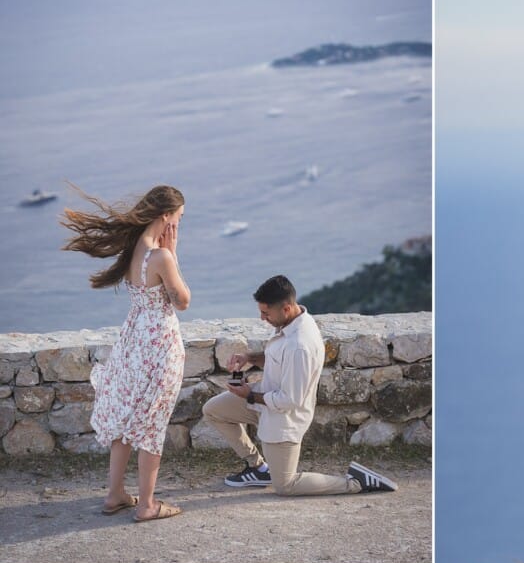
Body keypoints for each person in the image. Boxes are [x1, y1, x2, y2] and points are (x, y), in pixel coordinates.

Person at [201, 274, 398, 497]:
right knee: (213, 410)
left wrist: (249, 396)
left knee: (286, 485)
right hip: (263, 400)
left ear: (285, 308)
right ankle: (258, 469)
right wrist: (250, 357)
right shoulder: (292, 321)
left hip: (284, 417)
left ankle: (355, 482)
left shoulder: (300, 346)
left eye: (266, 313)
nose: (262, 318)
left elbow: (290, 400)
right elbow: (279, 359)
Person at [61, 184, 190, 522]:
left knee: (127, 418)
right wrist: (173, 254)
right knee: (151, 423)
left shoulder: (135, 248)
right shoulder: (160, 256)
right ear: (166, 217)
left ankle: (115, 494)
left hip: (133, 344)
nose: (178, 224)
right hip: (159, 346)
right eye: (178, 218)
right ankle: (147, 504)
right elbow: (182, 300)